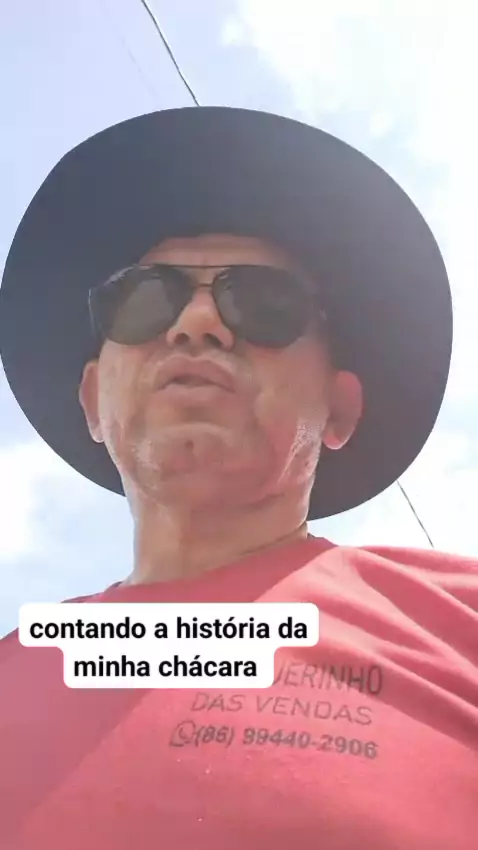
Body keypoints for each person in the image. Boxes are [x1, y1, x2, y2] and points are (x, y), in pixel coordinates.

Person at [0, 107, 476, 850]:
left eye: (264, 304)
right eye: (144, 299)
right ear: (92, 401)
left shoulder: (460, 621)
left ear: (339, 408)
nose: (196, 323)